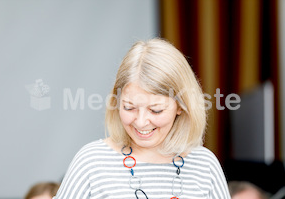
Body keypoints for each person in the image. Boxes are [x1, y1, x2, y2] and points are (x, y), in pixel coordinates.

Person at [53, 38, 231, 198]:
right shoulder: (91, 161)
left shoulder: (205, 165)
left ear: (180, 107)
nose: (140, 121)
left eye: (156, 110)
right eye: (129, 107)